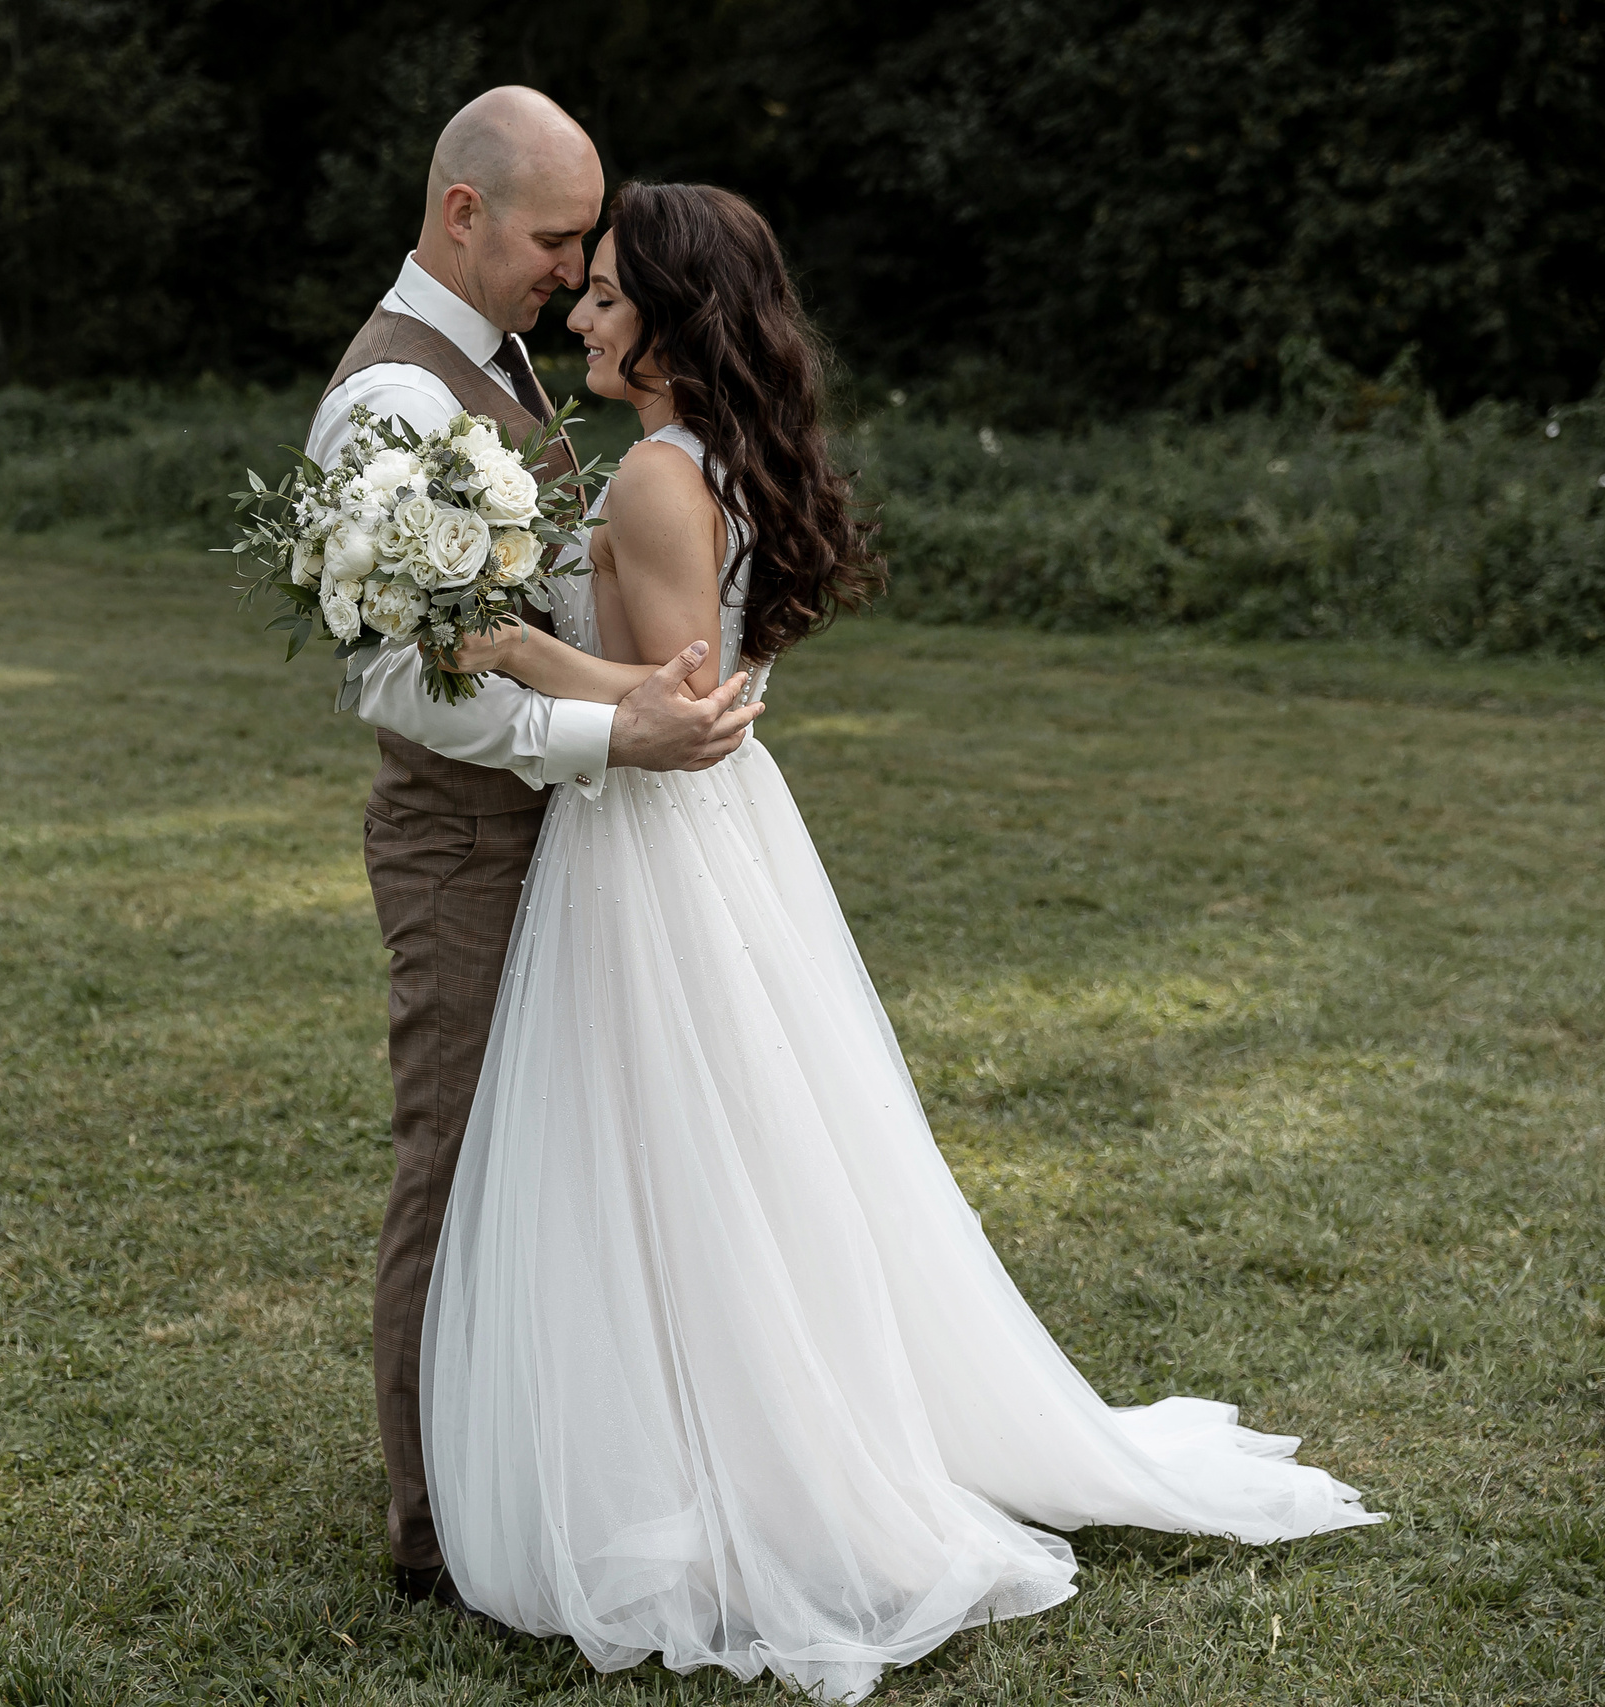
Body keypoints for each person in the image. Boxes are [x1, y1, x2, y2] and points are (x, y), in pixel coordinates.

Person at [418, 180, 1383, 1702]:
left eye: (608, 292)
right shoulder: (702, 455)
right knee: (723, 1143)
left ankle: (749, 1454)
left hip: (662, 843)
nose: (585, 312)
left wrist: (484, 623)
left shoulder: (664, 478)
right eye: (584, 286)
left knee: (687, 1147)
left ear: (675, 317)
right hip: (703, 834)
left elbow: (670, 703)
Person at [306, 87, 761, 1610]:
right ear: (463, 214)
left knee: (559, 1166)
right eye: (559, 239)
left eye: (588, 248)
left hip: (562, 831)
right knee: (460, 1161)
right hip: (464, 846)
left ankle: (551, 1461)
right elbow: (397, 675)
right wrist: (608, 729)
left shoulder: (497, 364)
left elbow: (523, 615)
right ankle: (437, 1525)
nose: (574, 271)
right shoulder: (390, 401)